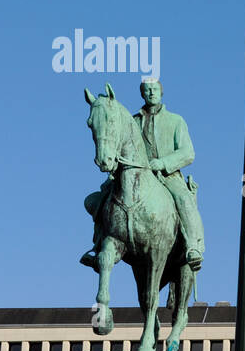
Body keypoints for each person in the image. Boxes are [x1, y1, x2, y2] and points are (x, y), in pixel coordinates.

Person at [82, 79, 205, 271]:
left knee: (183, 199)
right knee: (99, 200)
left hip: (166, 175)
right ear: (142, 94)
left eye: (154, 89)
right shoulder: (133, 120)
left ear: (161, 92)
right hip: (132, 176)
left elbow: (188, 153)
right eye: (147, 90)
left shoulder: (175, 121)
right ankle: (98, 247)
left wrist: (163, 163)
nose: (151, 93)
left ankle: (193, 247)